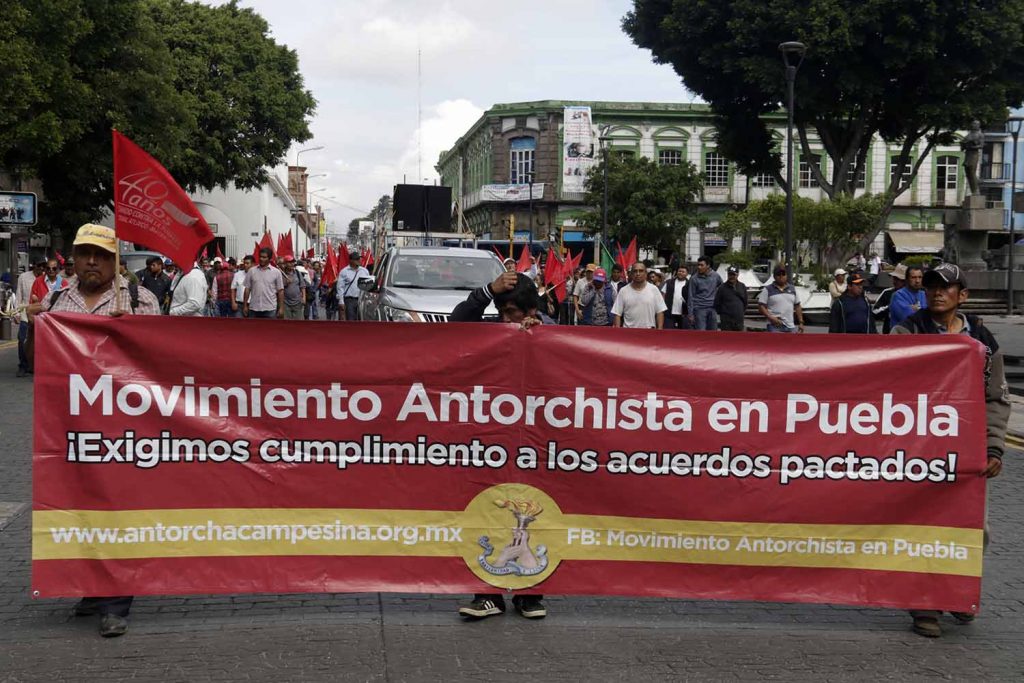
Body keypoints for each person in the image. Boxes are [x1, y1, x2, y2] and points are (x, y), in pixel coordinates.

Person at [32, 224, 161, 638]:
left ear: (115, 261)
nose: (91, 261)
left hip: (123, 428)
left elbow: (161, 363)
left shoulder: (141, 300)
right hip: (68, 427)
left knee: (117, 509)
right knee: (77, 505)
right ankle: (91, 587)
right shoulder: (56, 299)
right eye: (84, 253)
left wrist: (134, 332)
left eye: (101, 255)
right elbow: (42, 362)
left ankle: (116, 601)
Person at [891, 262, 1010, 638]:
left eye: (946, 287)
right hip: (919, 449)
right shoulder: (907, 332)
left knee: (975, 529)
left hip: (967, 452)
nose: (937, 293)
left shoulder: (983, 340)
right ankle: (925, 604)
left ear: (963, 295)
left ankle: (957, 592)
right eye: (930, 287)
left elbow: (996, 396)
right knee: (920, 526)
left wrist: (994, 447)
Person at [451, 270, 548, 620]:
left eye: (513, 313)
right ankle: (487, 594)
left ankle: (530, 593)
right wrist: (488, 290)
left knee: (533, 512)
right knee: (490, 508)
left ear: (530, 310)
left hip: (536, 437)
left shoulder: (548, 332)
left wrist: (540, 333)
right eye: (502, 312)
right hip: (492, 436)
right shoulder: (491, 333)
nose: (506, 320)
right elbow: (458, 322)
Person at [611, 262, 666, 329]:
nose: (638, 274)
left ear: (646, 274)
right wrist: (618, 331)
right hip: (628, 333)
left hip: (649, 333)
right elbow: (617, 314)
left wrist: (659, 330)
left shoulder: (654, 290)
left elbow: (660, 312)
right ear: (631, 274)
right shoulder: (623, 291)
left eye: (641, 271)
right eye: (635, 271)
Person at [15, 261, 44, 377]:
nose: (41, 269)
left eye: (43, 267)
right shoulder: (23, 277)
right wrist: (16, 313)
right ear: (34, 266)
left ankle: (35, 365)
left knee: (39, 342)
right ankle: (23, 365)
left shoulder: (45, 279)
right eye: (39, 266)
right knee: (22, 339)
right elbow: (19, 295)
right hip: (25, 313)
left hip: (41, 315)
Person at [757, 266, 804, 333]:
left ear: (786, 275)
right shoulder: (767, 289)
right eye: (778, 274)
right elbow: (761, 306)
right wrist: (770, 317)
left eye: (783, 274)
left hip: (790, 326)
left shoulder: (793, 289)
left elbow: (797, 306)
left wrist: (801, 322)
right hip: (774, 326)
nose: (781, 276)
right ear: (774, 276)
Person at [243, 247, 284, 319]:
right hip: (254, 309)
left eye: (264, 257)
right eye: (260, 257)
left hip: (270, 309)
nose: (261, 259)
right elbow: (247, 289)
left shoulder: (276, 272)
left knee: (270, 330)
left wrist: (281, 308)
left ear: (270, 259)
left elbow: (280, 291)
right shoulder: (251, 271)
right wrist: (245, 306)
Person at [686, 256, 723, 330]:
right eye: (698, 265)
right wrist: (690, 313)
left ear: (708, 265)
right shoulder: (694, 278)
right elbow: (690, 296)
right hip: (699, 309)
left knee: (713, 332)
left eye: (701, 265)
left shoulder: (716, 276)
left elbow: (722, 288)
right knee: (701, 332)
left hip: (712, 308)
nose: (699, 267)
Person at [872, 263, 906, 335]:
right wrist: (890, 306)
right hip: (890, 335)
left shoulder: (917, 294)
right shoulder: (887, 293)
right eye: (894, 278)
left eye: (898, 279)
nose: (894, 281)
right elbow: (874, 313)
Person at [336, 252, 370, 321]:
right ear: (351, 260)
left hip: (361, 300)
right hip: (349, 300)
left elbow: (368, 286)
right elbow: (340, 287)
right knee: (351, 320)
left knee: (362, 319)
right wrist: (341, 301)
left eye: (359, 259)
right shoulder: (344, 272)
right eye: (356, 259)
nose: (359, 260)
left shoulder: (364, 271)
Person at [714, 266, 747, 331]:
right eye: (730, 274)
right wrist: (723, 313)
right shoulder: (722, 287)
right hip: (726, 319)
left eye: (733, 275)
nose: (731, 277)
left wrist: (740, 312)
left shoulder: (742, 286)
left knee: (738, 338)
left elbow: (745, 301)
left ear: (737, 275)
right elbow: (717, 303)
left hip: (738, 318)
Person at [662, 266, 689, 330]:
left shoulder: (690, 283)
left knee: (683, 332)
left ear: (687, 274)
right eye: (679, 271)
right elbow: (663, 294)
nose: (681, 273)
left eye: (683, 272)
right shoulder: (669, 282)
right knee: (668, 331)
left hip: (684, 313)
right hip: (669, 313)